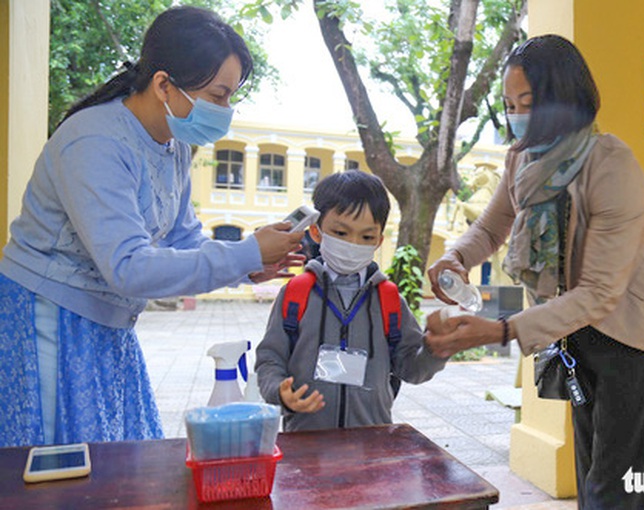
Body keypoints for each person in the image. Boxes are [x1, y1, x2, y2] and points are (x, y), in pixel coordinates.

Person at [0, 6, 305, 448]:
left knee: (115, 458)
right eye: (218, 95)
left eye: (231, 96)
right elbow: (129, 267)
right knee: (59, 461)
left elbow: (182, 240)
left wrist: (250, 265)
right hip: (49, 317)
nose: (226, 109)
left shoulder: (174, 145)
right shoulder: (95, 142)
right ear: (164, 84)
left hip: (109, 324)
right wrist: (247, 253)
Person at [425, 35, 644, 510]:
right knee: (590, 474)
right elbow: (494, 223)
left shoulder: (609, 163)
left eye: (529, 101)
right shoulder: (522, 157)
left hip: (634, 330)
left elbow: (602, 292)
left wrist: (501, 330)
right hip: (574, 328)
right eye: (508, 104)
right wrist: (456, 258)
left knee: (622, 482)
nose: (517, 114)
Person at [255, 171, 447, 431]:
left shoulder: (389, 299)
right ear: (316, 231)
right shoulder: (295, 294)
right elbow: (270, 358)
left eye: (366, 237)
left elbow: (411, 368)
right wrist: (279, 391)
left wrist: (436, 351)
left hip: (372, 440)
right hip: (305, 439)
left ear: (379, 241)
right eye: (341, 232)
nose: (353, 243)